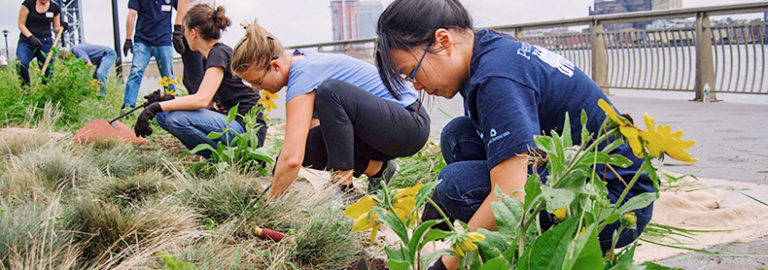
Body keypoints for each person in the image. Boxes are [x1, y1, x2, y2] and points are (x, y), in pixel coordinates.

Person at [374, 0, 655, 269]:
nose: (417, 86)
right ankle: (507, 243)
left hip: (609, 205)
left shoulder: (497, 79)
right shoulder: (487, 50)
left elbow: (513, 193)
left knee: (454, 186)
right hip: (572, 173)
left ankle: (528, 252)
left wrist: (446, 264)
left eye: (412, 72)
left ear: (443, 41)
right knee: (457, 136)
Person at [230, 20, 430, 201]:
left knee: (330, 91)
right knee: (310, 148)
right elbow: (306, 144)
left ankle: (343, 189)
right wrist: (277, 176)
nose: (257, 89)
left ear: (274, 66)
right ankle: (379, 170)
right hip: (383, 130)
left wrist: (271, 202)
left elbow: (292, 159)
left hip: (409, 123)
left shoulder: (303, 73)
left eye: (257, 82)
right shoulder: (303, 63)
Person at [133, 4, 266, 159]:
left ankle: (227, 158)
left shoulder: (218, 53)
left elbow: (202, 100)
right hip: (230, 124)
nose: (183, 36)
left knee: (177, 119)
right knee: (163, 116)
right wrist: (165, 101)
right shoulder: (209, 57)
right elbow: (208, 103)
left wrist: (155, 107)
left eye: (184, 31)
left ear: (193, 33)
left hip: (247, 131)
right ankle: (222, 157)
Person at [122, 0, 177, 109]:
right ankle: (128, 107)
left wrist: (181, 33)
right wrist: (128, 38)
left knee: (168, 77)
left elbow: (183, 11)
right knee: (135, 72)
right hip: (142, 41)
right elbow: (132, 13)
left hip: (163, 41)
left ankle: (172, 107)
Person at [171, 0, 214, 94]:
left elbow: (183, 1)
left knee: (195, 76)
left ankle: (201, 104)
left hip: (193, 27)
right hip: (207, 26)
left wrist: (178, 28)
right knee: (197, 74)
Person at [16, 0, 63, 85]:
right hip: (27, 41)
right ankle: (26, 89)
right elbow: (21, 24)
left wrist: (62, 27)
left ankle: (46, 91)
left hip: (45, 42)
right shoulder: (28, 4)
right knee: (21, 64)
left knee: (48, 70)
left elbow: (56, 28)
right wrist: (31, 37)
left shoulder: (54, 8)